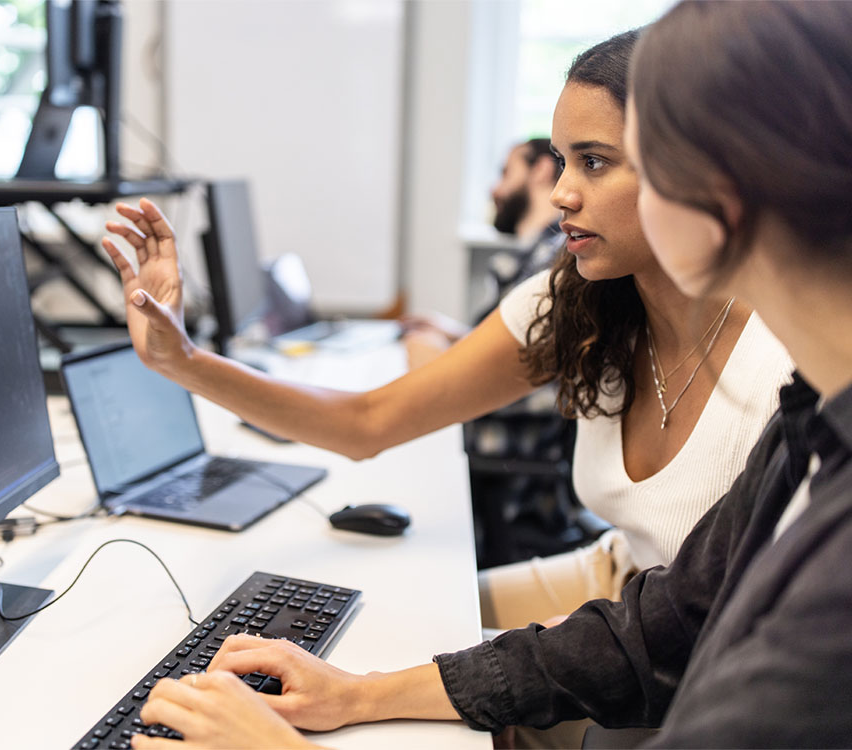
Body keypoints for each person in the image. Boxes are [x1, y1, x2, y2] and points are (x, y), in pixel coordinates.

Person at [119, 1, 852, 746]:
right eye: (561, 161)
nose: (561, 191)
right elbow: (667, 621)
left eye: (596, 162)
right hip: (633, 602)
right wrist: (182, 360)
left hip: (650, 629)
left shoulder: (795, 383)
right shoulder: (605, 309)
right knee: (391, 645)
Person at [402, 138, 561, 366]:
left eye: (506, 173)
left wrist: (435, 359)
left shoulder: (555, 259)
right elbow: (517, 340)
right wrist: (457, 333)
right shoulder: (531, 257)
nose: (494, 189)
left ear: (541, 170)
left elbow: (523, 368)